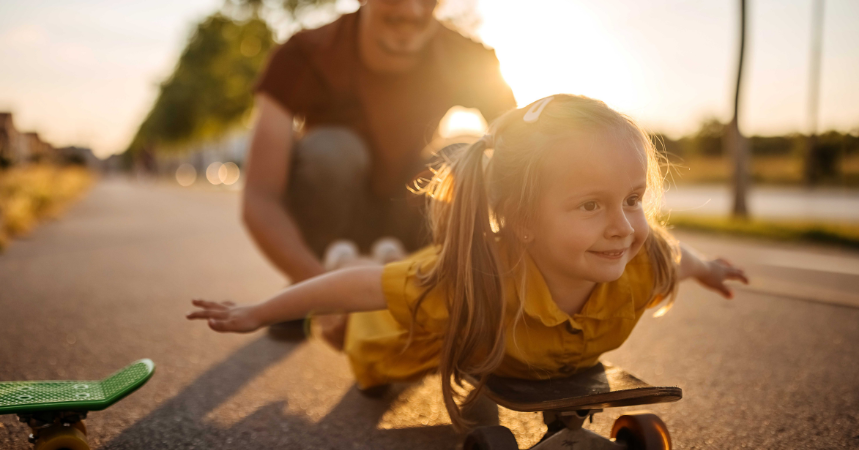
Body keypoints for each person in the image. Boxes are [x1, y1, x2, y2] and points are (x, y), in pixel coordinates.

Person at [189, 95, 749, 430]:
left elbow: (676, 256)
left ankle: (385, 257)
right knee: (349, 328)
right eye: (590, 205)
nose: (623, 227)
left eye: (632, 199)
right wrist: (260, 311)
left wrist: (710, 270)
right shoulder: (470, 281)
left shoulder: (637, 261)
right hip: (400, 334)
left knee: (393, 275)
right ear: (522, 220)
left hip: (455, 312)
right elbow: (360, 290)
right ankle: (362, 255)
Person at [241, 0, 516, 295]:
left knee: (461, 158)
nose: (411, 10)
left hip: (410, 217)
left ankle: (432, 285)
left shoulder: (468, 57)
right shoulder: (304, 54)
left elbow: (523, 154)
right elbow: (261, 196)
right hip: (329, 228)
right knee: (332, 151)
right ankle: (317, 279)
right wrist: (319, 287)